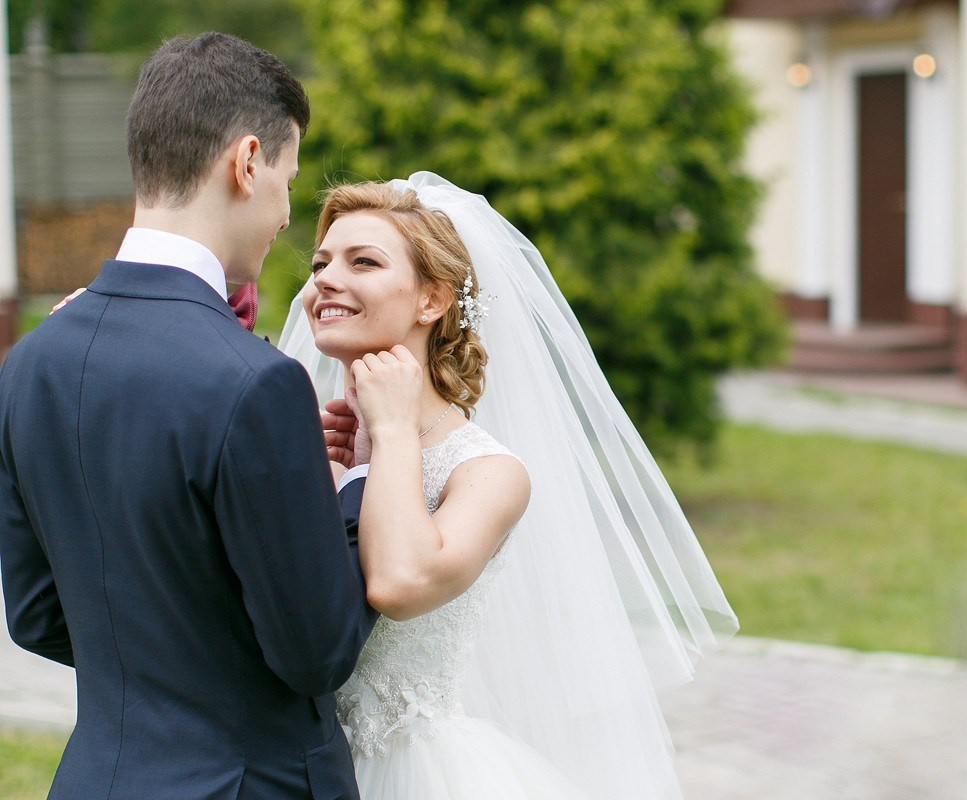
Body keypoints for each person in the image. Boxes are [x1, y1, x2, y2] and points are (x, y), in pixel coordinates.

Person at [0, 33, 378, 798]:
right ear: (246, 163)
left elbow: (37, 614)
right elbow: (316, 653)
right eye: (288, 181)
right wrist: (359, 482)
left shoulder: (30, 365)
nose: (284, 217)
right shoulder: (256, 383)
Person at [278, 173, 739, 799]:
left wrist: (389, 438)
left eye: (363, 262)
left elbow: (397, 583)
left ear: (431, 300)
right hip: (292, 765)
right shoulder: (315, 441)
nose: (325, 279)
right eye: (321, 261)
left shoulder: (489, 473)